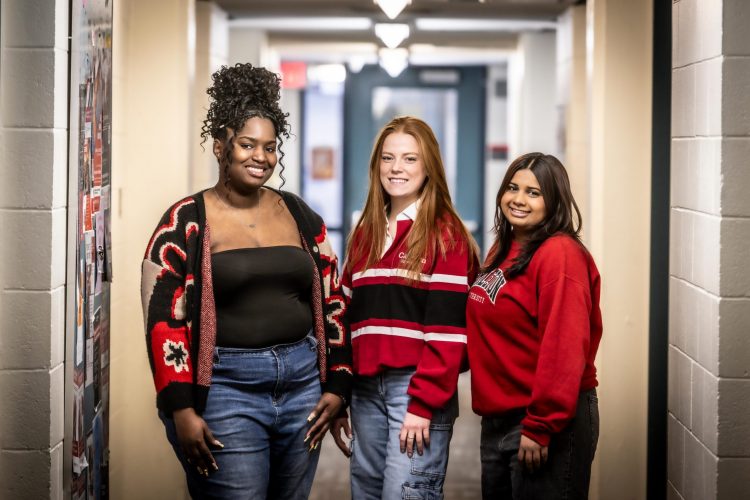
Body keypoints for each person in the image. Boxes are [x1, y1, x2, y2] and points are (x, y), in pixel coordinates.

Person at [140, 63, 352, 499]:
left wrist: (338, 384)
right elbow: (163, 320)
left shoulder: (299, 214)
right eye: (247, 144)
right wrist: (180, 407)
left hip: (302, 387)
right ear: (221, 146)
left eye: (271, 147)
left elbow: (333, 298)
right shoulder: (184, 223)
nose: (261, 157)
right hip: (225, 390)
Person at [330, 116, 478, 499]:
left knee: (407, 493)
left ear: (430, 167)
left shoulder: (446, 235)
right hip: (364, 391)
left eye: (410, 159)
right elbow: (345, 318)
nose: (397, 168)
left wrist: (423, 403)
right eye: (388, 157)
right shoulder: (367, 232)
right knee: (366, 493)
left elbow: (448, 333)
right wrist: (340, 392)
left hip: (414, 390)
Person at [466, 152, 602, 500]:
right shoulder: (505, 248)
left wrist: (541, 425)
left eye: (533, 192)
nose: (518, 199)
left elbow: (564, 346)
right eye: (513, 187)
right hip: (498, 419)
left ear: (554, 200)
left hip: (542, 421)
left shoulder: (560, 254)